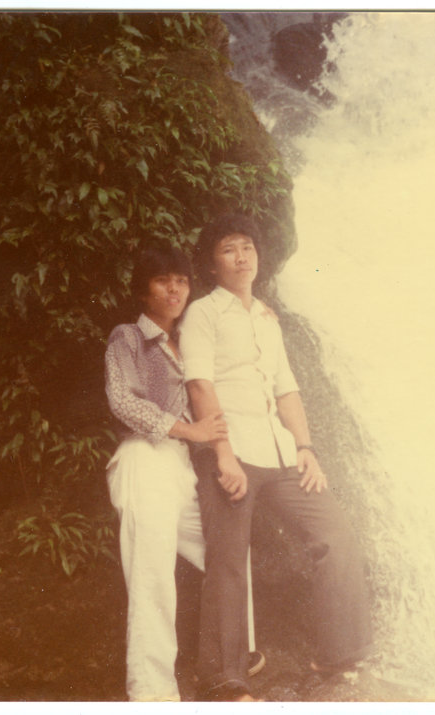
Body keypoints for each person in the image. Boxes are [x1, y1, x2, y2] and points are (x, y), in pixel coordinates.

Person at [180, 214, 373, 702]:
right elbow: (200, 385)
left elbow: (286, 388)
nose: (241, 256)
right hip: (231, 451)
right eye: (229, 248)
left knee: (334, 533)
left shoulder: (267, 318)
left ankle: (338, 653)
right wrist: (223, 455)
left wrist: (305, 448)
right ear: (211, 264)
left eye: (247, 246)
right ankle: (224, 682)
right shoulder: (202, 313)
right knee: (227, 559)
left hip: (280, 451)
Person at [104, 244, 262, 702]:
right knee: (151, 573)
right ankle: (152, 693)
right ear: (143, 290)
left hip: (180, 468)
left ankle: (237, 655)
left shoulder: (190, 335)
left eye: (181, 281)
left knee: (227, 552)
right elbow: (123, 401)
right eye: (162, 280)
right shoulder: (128, 338)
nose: (174, 289)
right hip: (143, 458)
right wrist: (191, 430)